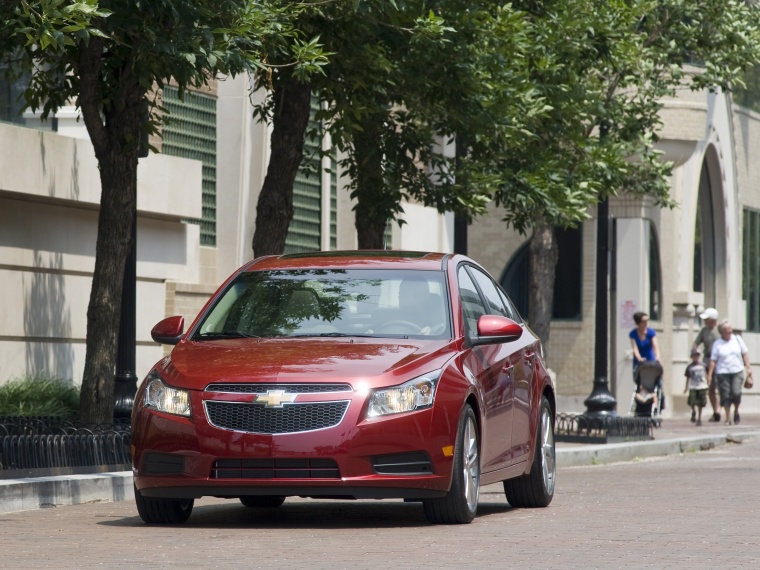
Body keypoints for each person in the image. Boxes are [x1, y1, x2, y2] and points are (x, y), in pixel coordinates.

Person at [706, 320, 752, 426]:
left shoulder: (737, 339)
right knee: (725, 395)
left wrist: (748, 368)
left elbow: (745, 354)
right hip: (722, 372)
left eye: (730, 329)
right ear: (722, 332)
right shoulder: (717, 344)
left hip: (737, 370)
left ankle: (736, 410)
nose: (729, 331)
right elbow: (713, 361)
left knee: (736, 393)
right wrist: (709, 375)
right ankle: (728, 417)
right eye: (727, 329)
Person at [693, 307, 721, 422]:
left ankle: (722, 410)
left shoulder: (720, 330)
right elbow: (696, 342)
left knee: (721, 388)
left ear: (713, 319)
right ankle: (716, 411)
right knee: (710, 388)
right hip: (708, 360)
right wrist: (694, 352)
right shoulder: (704, 330)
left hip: (720, 361)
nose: (705, 321)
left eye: (707, 319)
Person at [629, 311, 661, 382]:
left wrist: (658, 357)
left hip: (650, 359)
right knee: (638, 379)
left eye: (647, 321)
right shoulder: (633, 334)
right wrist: (639, 358)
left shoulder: (651, 332)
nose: (646, 323)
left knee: (656, 378)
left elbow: (655, 346)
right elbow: (634, 348)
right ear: (638, 322)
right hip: (640, 361)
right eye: (643, 321)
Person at [684, 348, 708, 426]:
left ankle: (699, 418)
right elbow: (688, 377)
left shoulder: (703, 365)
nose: (696, 357)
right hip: (693, 386)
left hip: (702, 386)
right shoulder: (690, 367)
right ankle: (693, 411)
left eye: (697, 356)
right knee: (692, 402)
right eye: (694, 356)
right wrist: (686, 387)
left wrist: (708, 383)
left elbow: (707, 375)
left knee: (701, 403)